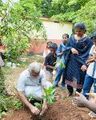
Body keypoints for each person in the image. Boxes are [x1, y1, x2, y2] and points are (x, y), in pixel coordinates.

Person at [65, 23, 93, 96]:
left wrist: (85, 64)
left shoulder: (88, 40)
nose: (77, 33)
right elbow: (67, 47)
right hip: (71, 61)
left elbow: (89, 53)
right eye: (76, 31)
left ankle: (78, 92)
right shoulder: (71, 38)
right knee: (69, 75)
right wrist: (71, 48)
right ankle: (70, 91)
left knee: (80, 77)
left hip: (81, 61)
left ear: (84, 30)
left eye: (80, 31)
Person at [83, 32, 96, 98]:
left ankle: (94, 104)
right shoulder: (93, 47)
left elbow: (93, 58)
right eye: (93, 40)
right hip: (90, 72)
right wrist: (86, 64)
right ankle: (84, 101)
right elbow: (90, 57)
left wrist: (91, 59)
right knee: (85, 88)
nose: (94, 42)